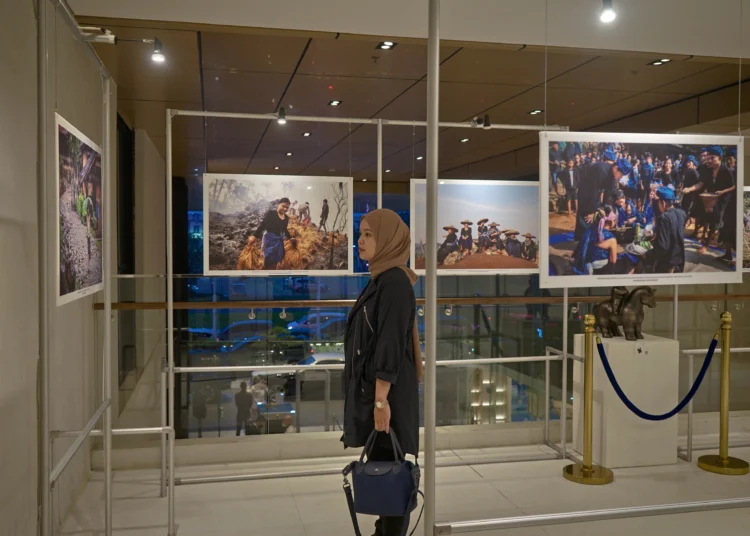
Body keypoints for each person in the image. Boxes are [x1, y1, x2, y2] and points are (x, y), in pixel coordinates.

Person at [343, 209, 421, 536]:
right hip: (379, 393)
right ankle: (384, 529)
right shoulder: (381, 279)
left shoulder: (395, 283)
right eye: (360, 234)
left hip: (387, 397)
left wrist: (380, 401)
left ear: (387, 240)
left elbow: (389, 344)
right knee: (384, 464)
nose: (360, 240)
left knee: (392, 469)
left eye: (368, 235)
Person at [692, 146, 736, 257]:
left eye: (713, 158)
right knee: (711, 219)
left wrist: (723, 192)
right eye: (709, 158)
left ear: (720, 158)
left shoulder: (726, 171)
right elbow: (701, 183)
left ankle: (707, 245)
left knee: (716, 221)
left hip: (726, 200)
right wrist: (690, 189)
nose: (710, 160)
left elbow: (734, 186)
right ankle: (726, 251)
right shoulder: (708, 170)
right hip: (713, 198)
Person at [644, 186, 687, 273]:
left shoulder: (664, 217)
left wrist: (648, 255)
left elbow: (663, 247)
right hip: (680, 260)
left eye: (659, 202)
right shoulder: (682, 213)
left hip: (668, 263)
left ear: (663, 203)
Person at [246, 198, 293, 269]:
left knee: (276, 259)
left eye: (287, 207)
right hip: (269, 239)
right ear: (278, 204)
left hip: (278, 240)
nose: (285, 209)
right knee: (268, 258)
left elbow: (285, 229)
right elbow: (263, 225)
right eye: (283, 206)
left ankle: (272, 272)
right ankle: (267, 272)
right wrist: (254, 236)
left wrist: (290, 238)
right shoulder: (271, 213)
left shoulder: (286, 217)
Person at [680, 155, 701, 228]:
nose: (688, 164)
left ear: (693, 163)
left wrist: (690, 189)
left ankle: (684, 225)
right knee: (684, 209)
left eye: (689, 162)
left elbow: (698, 183)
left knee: (687, 210)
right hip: (686, 194)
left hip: (691, 195)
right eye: (687, 162)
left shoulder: (694, 172)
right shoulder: (687, 171)